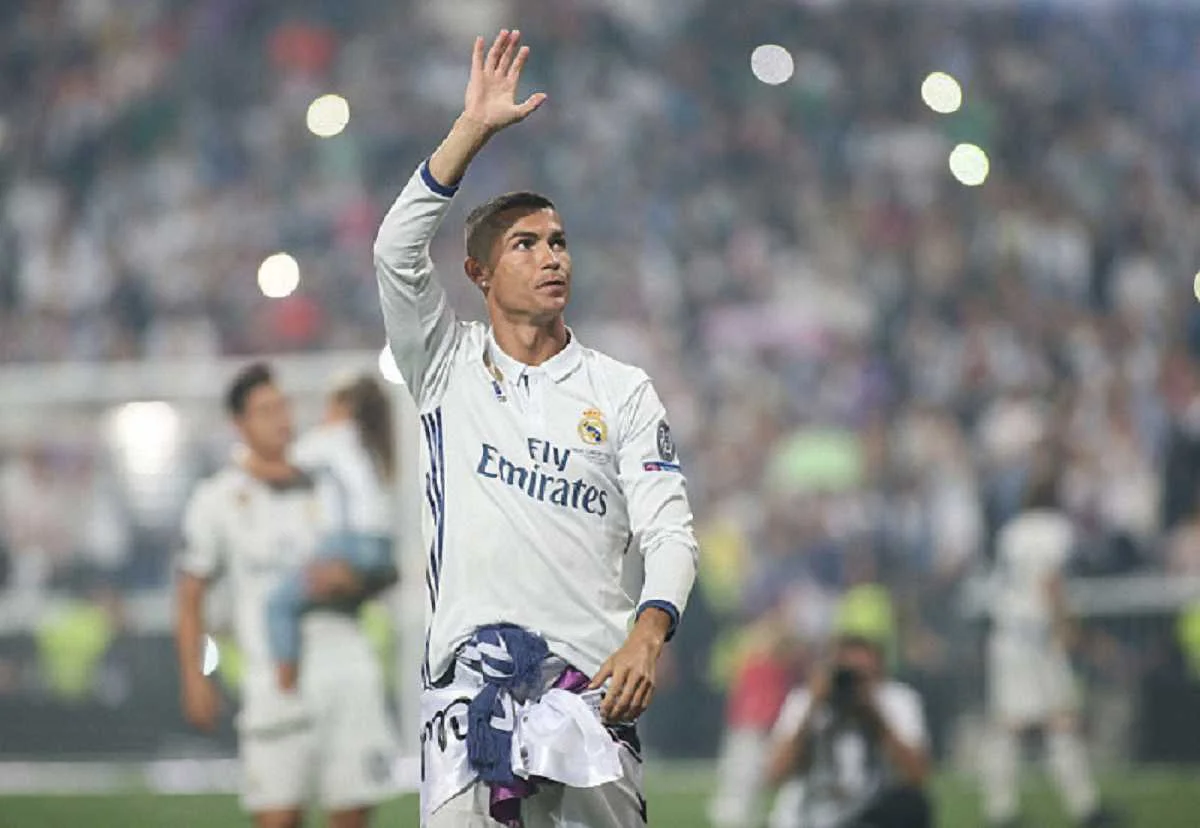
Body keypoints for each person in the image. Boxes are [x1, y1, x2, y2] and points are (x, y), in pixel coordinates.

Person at [373, 29, 698, 827]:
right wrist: (472, 130)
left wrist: (649, 634)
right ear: (479, 273)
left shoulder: (621, 390)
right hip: (468, 697)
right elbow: (395, 252)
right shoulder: (445, 364)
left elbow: (670, 533)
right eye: (526, 244)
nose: (552, 257)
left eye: (558, 242)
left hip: (591, 691)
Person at [175, 363, 396, 828]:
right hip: (274, 684)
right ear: (239, 423)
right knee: (278, 818)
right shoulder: (218, 499)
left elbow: (385, 565)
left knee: (352, 818)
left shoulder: (330, 476)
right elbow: (190, 595)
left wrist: (350, 580)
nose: (280, 418)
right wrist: (195, 677)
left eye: (283, 406)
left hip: (347, 672)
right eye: (265, 410)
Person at [981, 468, 1117, 828]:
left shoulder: (1011, 531)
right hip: (1036, 636)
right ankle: (1084, 807)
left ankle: (1001, 809)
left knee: (1009, 725)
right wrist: (1068, 628)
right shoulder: (1055, 530)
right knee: (1061, 720)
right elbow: (1050, 581)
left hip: (1007, 634)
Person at [267, 373, 399, 692]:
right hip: (383, 548)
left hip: (349, 544)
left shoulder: (332, 436)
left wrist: (244, 463)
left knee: (278, 604)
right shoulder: (372, 444)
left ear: (344, 407)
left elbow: (284, 467)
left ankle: (285, 688)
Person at [765, 635, 932, 828]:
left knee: (913, 805)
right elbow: (775, 774)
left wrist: (875, 716)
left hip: (869, 815)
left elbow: (917, 776)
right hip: (806, 818)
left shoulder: (896, 700)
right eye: (846, 676)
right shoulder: (805, 700)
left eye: (861, 677)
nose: (852, 686)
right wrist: (812, 708)